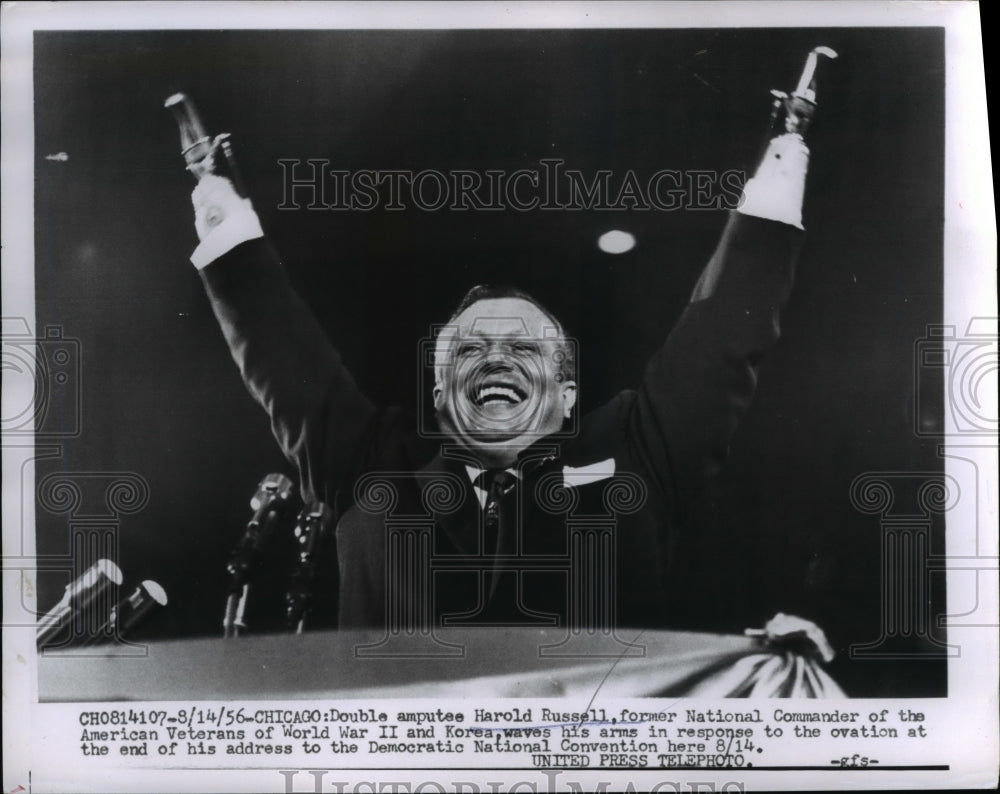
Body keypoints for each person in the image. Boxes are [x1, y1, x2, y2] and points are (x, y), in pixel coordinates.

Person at [187, 104, 812, 632]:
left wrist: (784, 154)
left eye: (524, 349)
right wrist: (219, 199)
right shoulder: (372, 465)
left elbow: (723, 335)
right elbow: (281, 352)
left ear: (569, 396)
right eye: (468, 349)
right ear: (438, 391)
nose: (495, 358)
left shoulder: (636, 456)